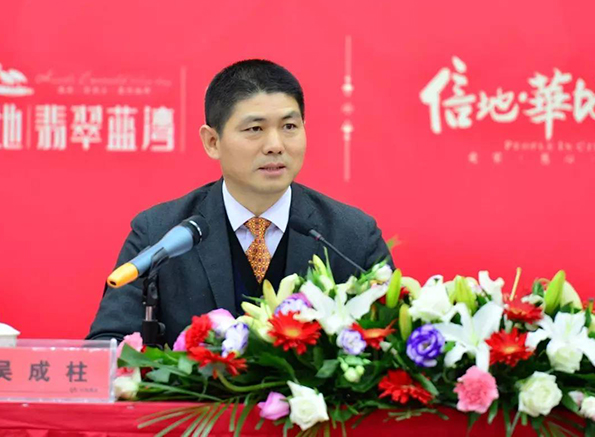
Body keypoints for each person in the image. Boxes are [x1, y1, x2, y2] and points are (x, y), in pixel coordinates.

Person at [87, 59, 392, 345]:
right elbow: (108, 345)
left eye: (289, 126)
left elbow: (391, 344)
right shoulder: (160, 233)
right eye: (255, 129)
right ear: (212, 142)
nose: (275, 145)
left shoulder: (351, 236)